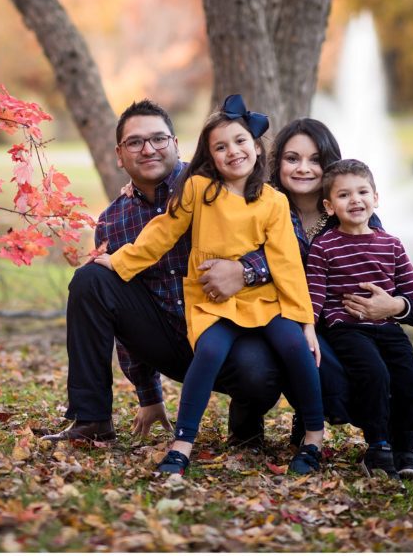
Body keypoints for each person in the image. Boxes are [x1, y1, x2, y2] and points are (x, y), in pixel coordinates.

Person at [43, 99, 296, 448]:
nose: (148, 149)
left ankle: (245, 426)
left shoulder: (217, 184)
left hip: (227, 328)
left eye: (158, 139)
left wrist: (245, 271)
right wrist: (149, 396)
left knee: (261, 374)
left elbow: (293, 244)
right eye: (135, 142)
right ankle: (92, 420)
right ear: (120, 154)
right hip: (168, 337)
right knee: (91, 279)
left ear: (176, 145)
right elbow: (121, 315)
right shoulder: (113, 221)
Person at [94, 94, 323, 475]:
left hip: (263, 298)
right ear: (210, 155)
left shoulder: (273, 201)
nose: (232, 152)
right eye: (221, 146)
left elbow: (285, 263)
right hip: (211, 300)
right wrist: (119, 260)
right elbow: (161, 233)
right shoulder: (199, 188)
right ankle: (182, 444)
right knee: (209, 352)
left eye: (240, 142)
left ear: (256, 146)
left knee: (294, 346)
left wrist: (306, 321)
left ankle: (313, 438)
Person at [269, 119, 413, 438]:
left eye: (315, 160)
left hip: (348, 329)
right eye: (292, 159)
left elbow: (409, 292)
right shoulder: (268, 210)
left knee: (373, 365)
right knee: (294, 346)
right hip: (285, 322)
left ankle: (383, 439)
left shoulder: (358, 217)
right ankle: (297, 418)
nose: (303, 168)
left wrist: (394, 306)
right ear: (278, 163)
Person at [305, 158, 413, 480]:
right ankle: (378, 446)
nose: (355, 200)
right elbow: (315, 293)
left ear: (376, 198)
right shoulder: (324, 247)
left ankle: (407, 449)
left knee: (409, 381)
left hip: (388, 329)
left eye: (362, 191)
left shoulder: (391, 244)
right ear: (329, 206)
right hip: (348, 330)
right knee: (375, 375)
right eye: (344, 195)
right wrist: (309, 329)